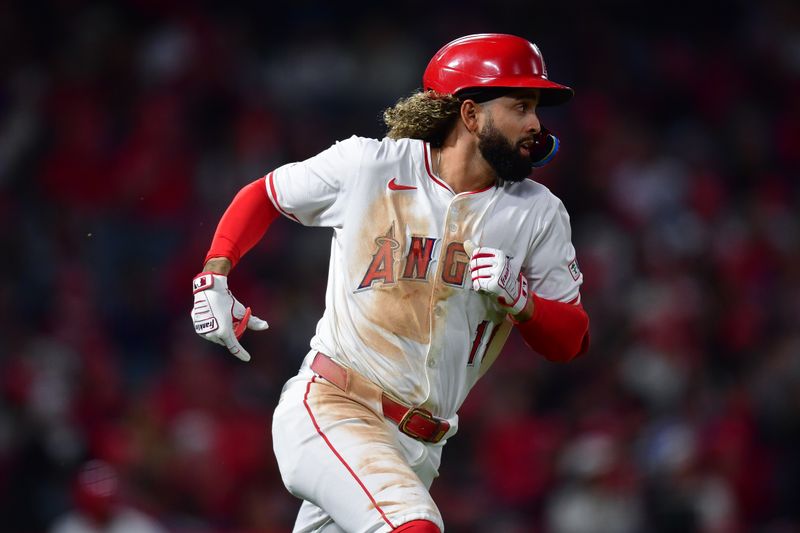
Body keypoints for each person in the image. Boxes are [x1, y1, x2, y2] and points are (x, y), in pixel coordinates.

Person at [191, 33, 590, 533]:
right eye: (520, 105)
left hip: (421, 449)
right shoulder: (371, 165)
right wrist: (215, 272)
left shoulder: (540, 214)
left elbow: (571, 340)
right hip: (335, 406)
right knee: (415, 527)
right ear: (470, 114)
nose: (535, 123)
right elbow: (265, 194)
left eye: (535, 108)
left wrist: (525, 303)